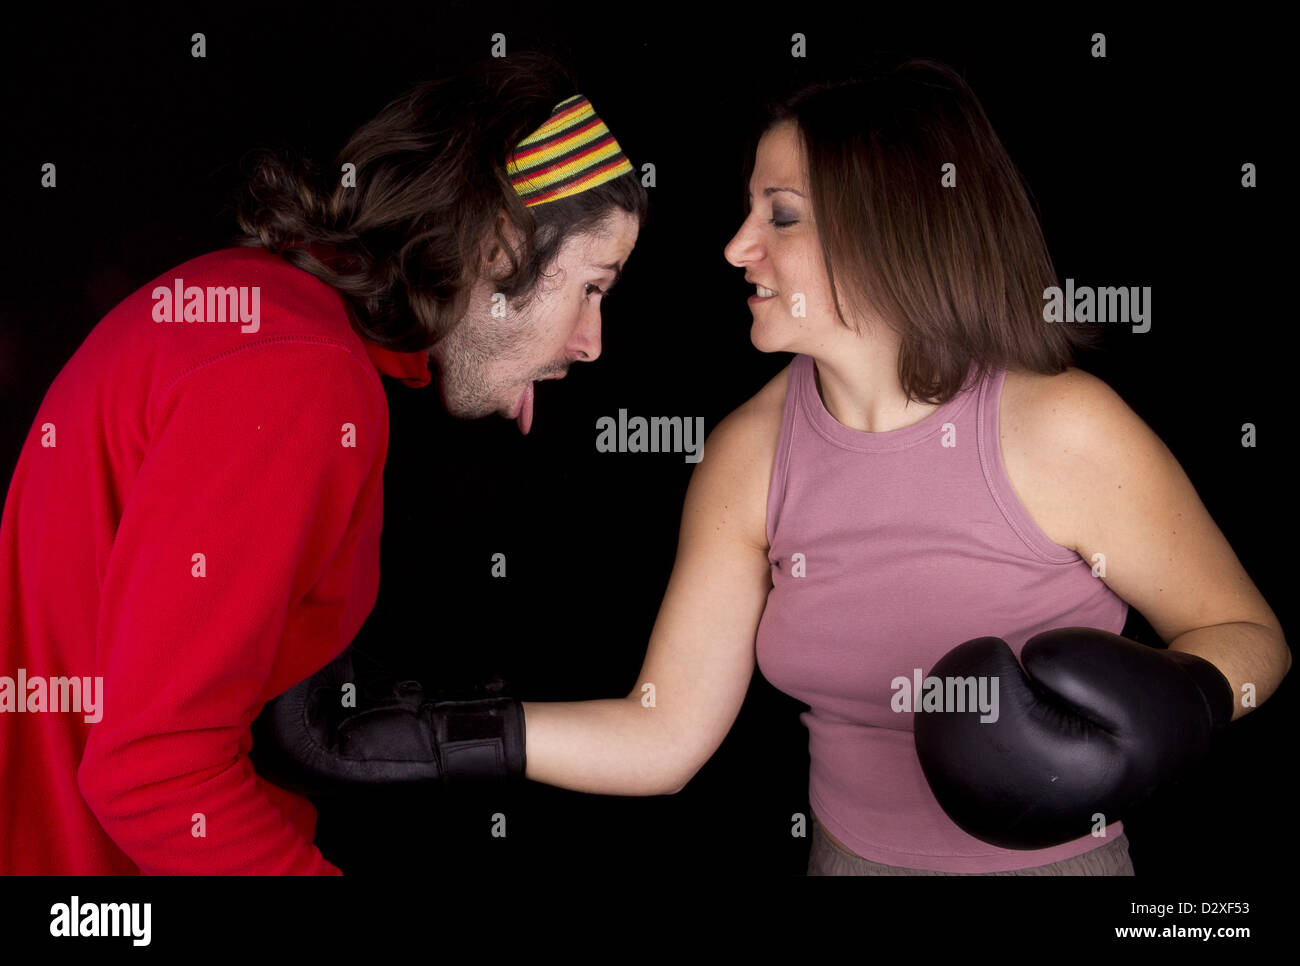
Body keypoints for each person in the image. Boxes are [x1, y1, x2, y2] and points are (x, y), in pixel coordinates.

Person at [274, 57, 1289, 876]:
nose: (734, 247)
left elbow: (1250, 637)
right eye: (748, 211)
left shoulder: (1062, 429)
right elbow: (662, 737)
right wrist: (429, 739)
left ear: (895, 220)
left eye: (782, 214)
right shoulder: (749, 453)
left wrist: (1188, 702)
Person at [0, 51, 645, 874]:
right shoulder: (297, 376)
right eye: (592, 287)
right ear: (498, 246)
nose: (591, 343)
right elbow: (155, 774)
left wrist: (495, 339)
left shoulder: (263, 315)